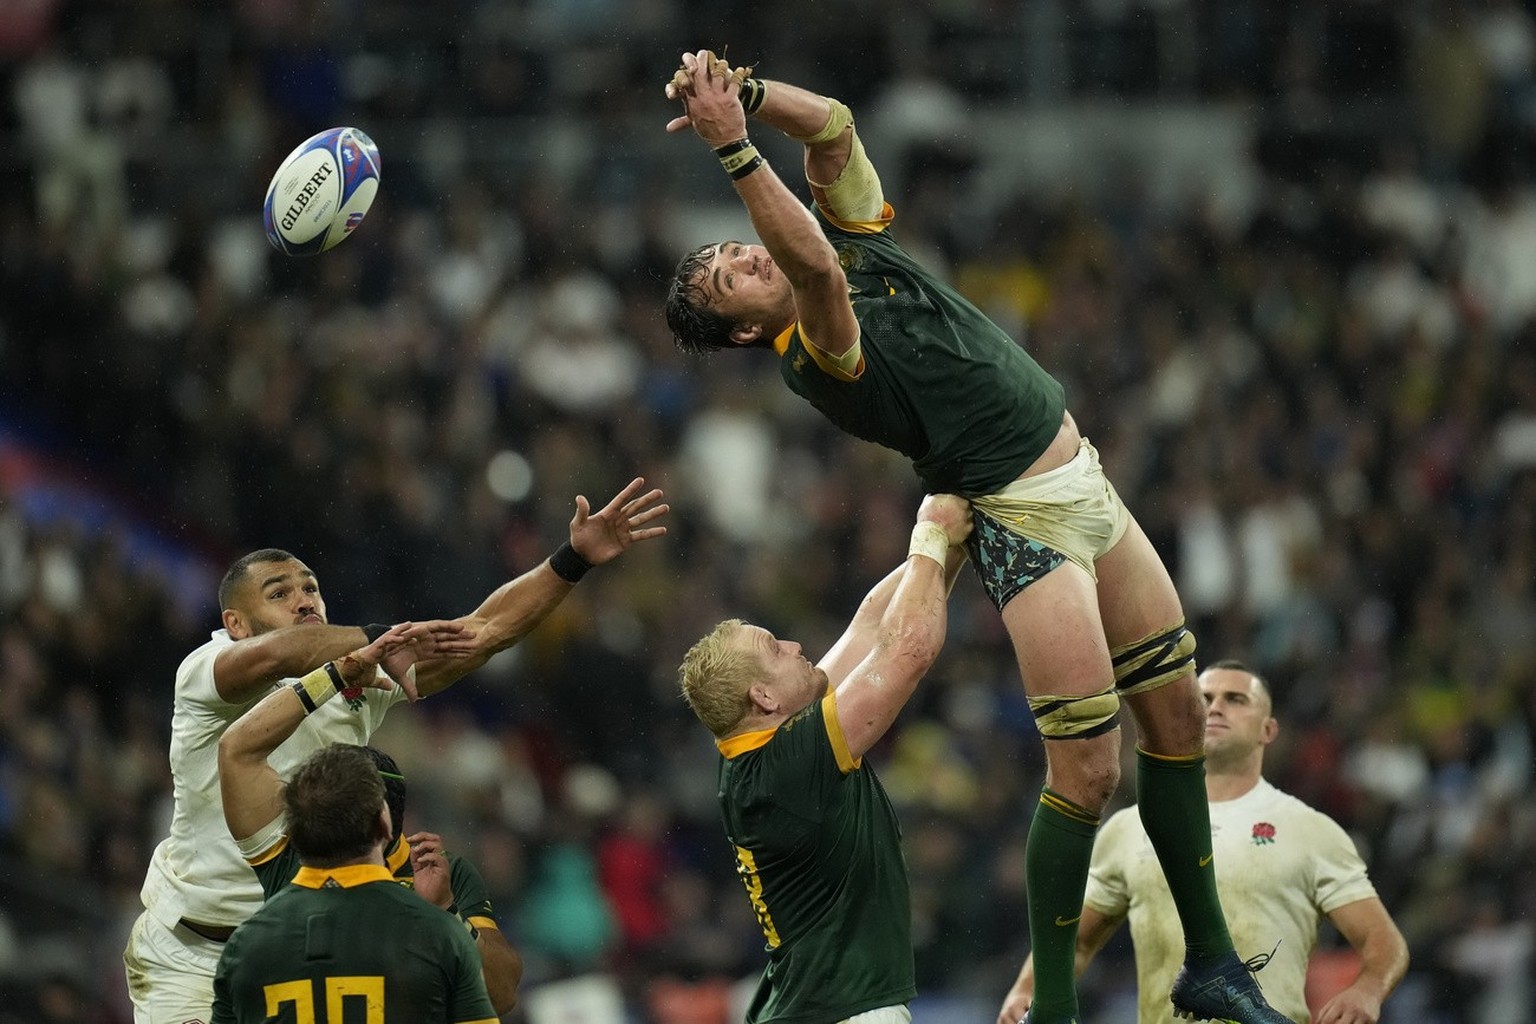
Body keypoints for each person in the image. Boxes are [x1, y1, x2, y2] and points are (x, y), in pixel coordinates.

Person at [662, 50, 1284, 1024]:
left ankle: (1209, 959)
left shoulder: (852, 233)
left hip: (1083, 478)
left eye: (729, 251)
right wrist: (736, 150)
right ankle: (1055, 1001)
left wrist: (744, 95)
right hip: (1016, 514)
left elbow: (832, 128)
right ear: (743, 333)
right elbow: (814, 269)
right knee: (1088, 768)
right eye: (723, 281)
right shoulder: (816, 357)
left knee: (1172, 720)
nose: (736, 258)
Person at [124, 477, 668, 1024]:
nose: (304, 600)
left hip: (304, 944)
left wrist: (571, 559)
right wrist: (383, 640)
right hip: (193, 951)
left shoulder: (365, 675)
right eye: (280, 592)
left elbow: (482, 632)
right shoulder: (206, 670)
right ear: (234, 624)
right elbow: (280, 656)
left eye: (310, 587)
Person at [678, 493, 972, 1024]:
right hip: (845, 1013)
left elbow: (869, 629)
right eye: (774, 648)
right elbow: (907, 652)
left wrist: (951, 543)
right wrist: (931, 532)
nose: (794, 645)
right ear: (763, 698)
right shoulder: (789, 768)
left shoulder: (760, 746)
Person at [998, 662, 1410, 1024]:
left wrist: (1367, 990)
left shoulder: (1310, 830)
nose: (1215, 707)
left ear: (1269, 731)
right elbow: (1076, 942)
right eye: (1205, 697)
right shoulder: (1128, 829)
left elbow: (1382, 942)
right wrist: (1025, 989)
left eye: (1235, 699)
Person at [211, 623, 497, 1023]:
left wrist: (337, 672)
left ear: (294, 831)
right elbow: (498, 996)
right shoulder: (435, 933)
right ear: (384, 824)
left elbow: (235, 747)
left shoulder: (247, 946)